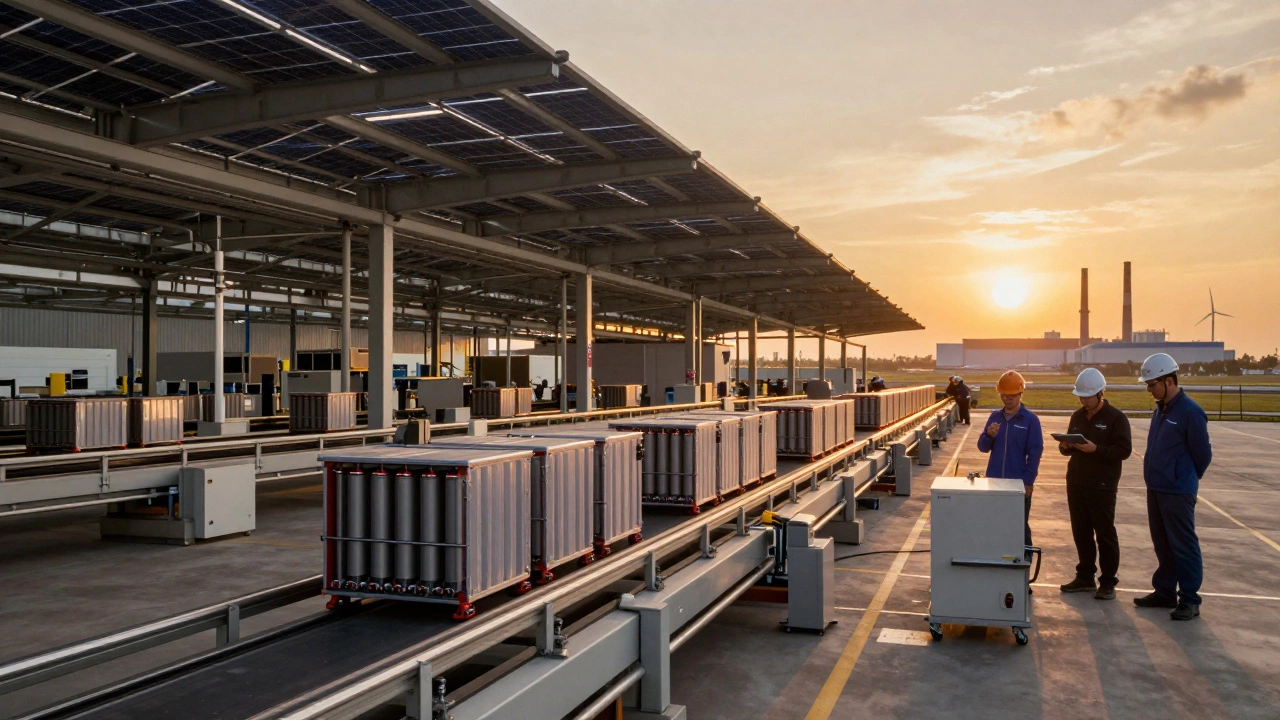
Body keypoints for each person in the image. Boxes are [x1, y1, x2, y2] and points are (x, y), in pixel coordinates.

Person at [1135, 353, 1212, 621]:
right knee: (1163, 544)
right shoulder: (1161, 409)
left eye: (1151, 384)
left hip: (1178, 491)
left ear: (1168, 381)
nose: (1149, 390)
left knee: (1183, 544)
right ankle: (1165, 591)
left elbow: (1203, 455)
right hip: (1156, 487)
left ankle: (1190, 599)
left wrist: (1184, 478)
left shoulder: (1191, 412)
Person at [1058, 368, 1132, 600]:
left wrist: (1096, 449)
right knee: (1081, 532)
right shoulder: (1077, 416)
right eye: (1080, 397)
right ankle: (1085, 577)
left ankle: (1108, 581)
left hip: (1102, 485)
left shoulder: (1116, 418)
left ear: (1100, 394)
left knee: (1104, 533)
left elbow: (1124, 450)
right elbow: (1070, 443)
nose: (1083, 401)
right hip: (1077, 482)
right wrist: (1065, 447)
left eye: (1087, 397)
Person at [976, 370, 1043, 551]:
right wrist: (989, 436)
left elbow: (1035, 454)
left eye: (1012, 395)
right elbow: (982, 447)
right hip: (994, 482)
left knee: (1019, 527)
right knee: (994, 524)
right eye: (1004, 395)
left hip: (1017, 483)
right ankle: (996, 558)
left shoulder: (1030, 421)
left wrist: (1028, 482)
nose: (1007, 399)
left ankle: (1025, 562)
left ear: (1020, 394)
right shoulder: (995, 417)